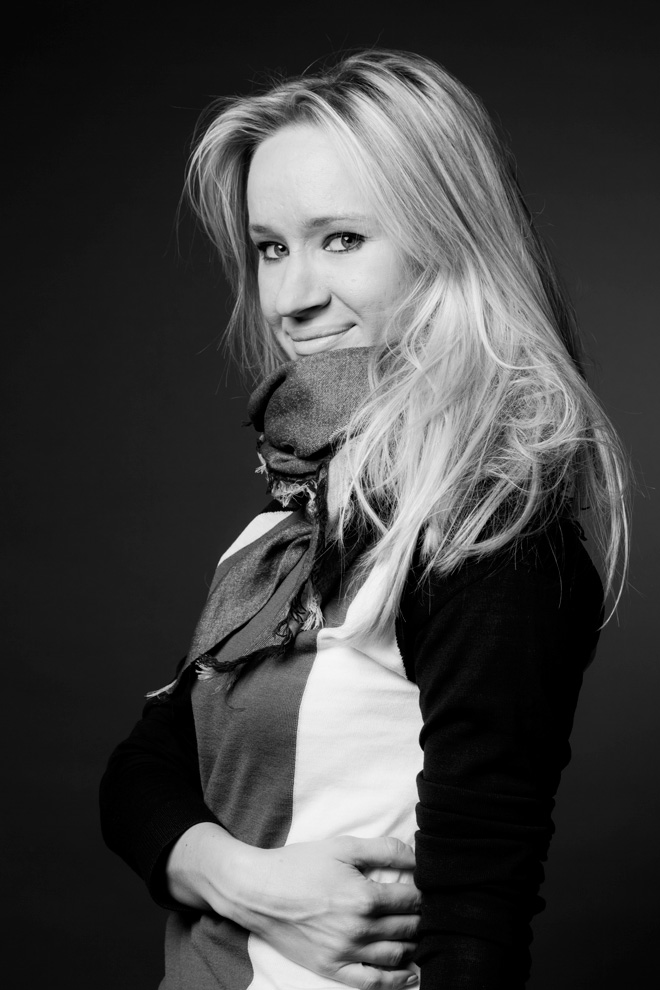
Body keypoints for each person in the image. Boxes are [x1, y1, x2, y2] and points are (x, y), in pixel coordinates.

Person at [100, 49, 629, 990]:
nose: (291, 298)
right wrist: (255, 884)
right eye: (272, 248)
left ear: (450, 243)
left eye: (342, 238)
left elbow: (478, 921)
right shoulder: (291, 518)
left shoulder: (489, 537)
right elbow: (142, 772)